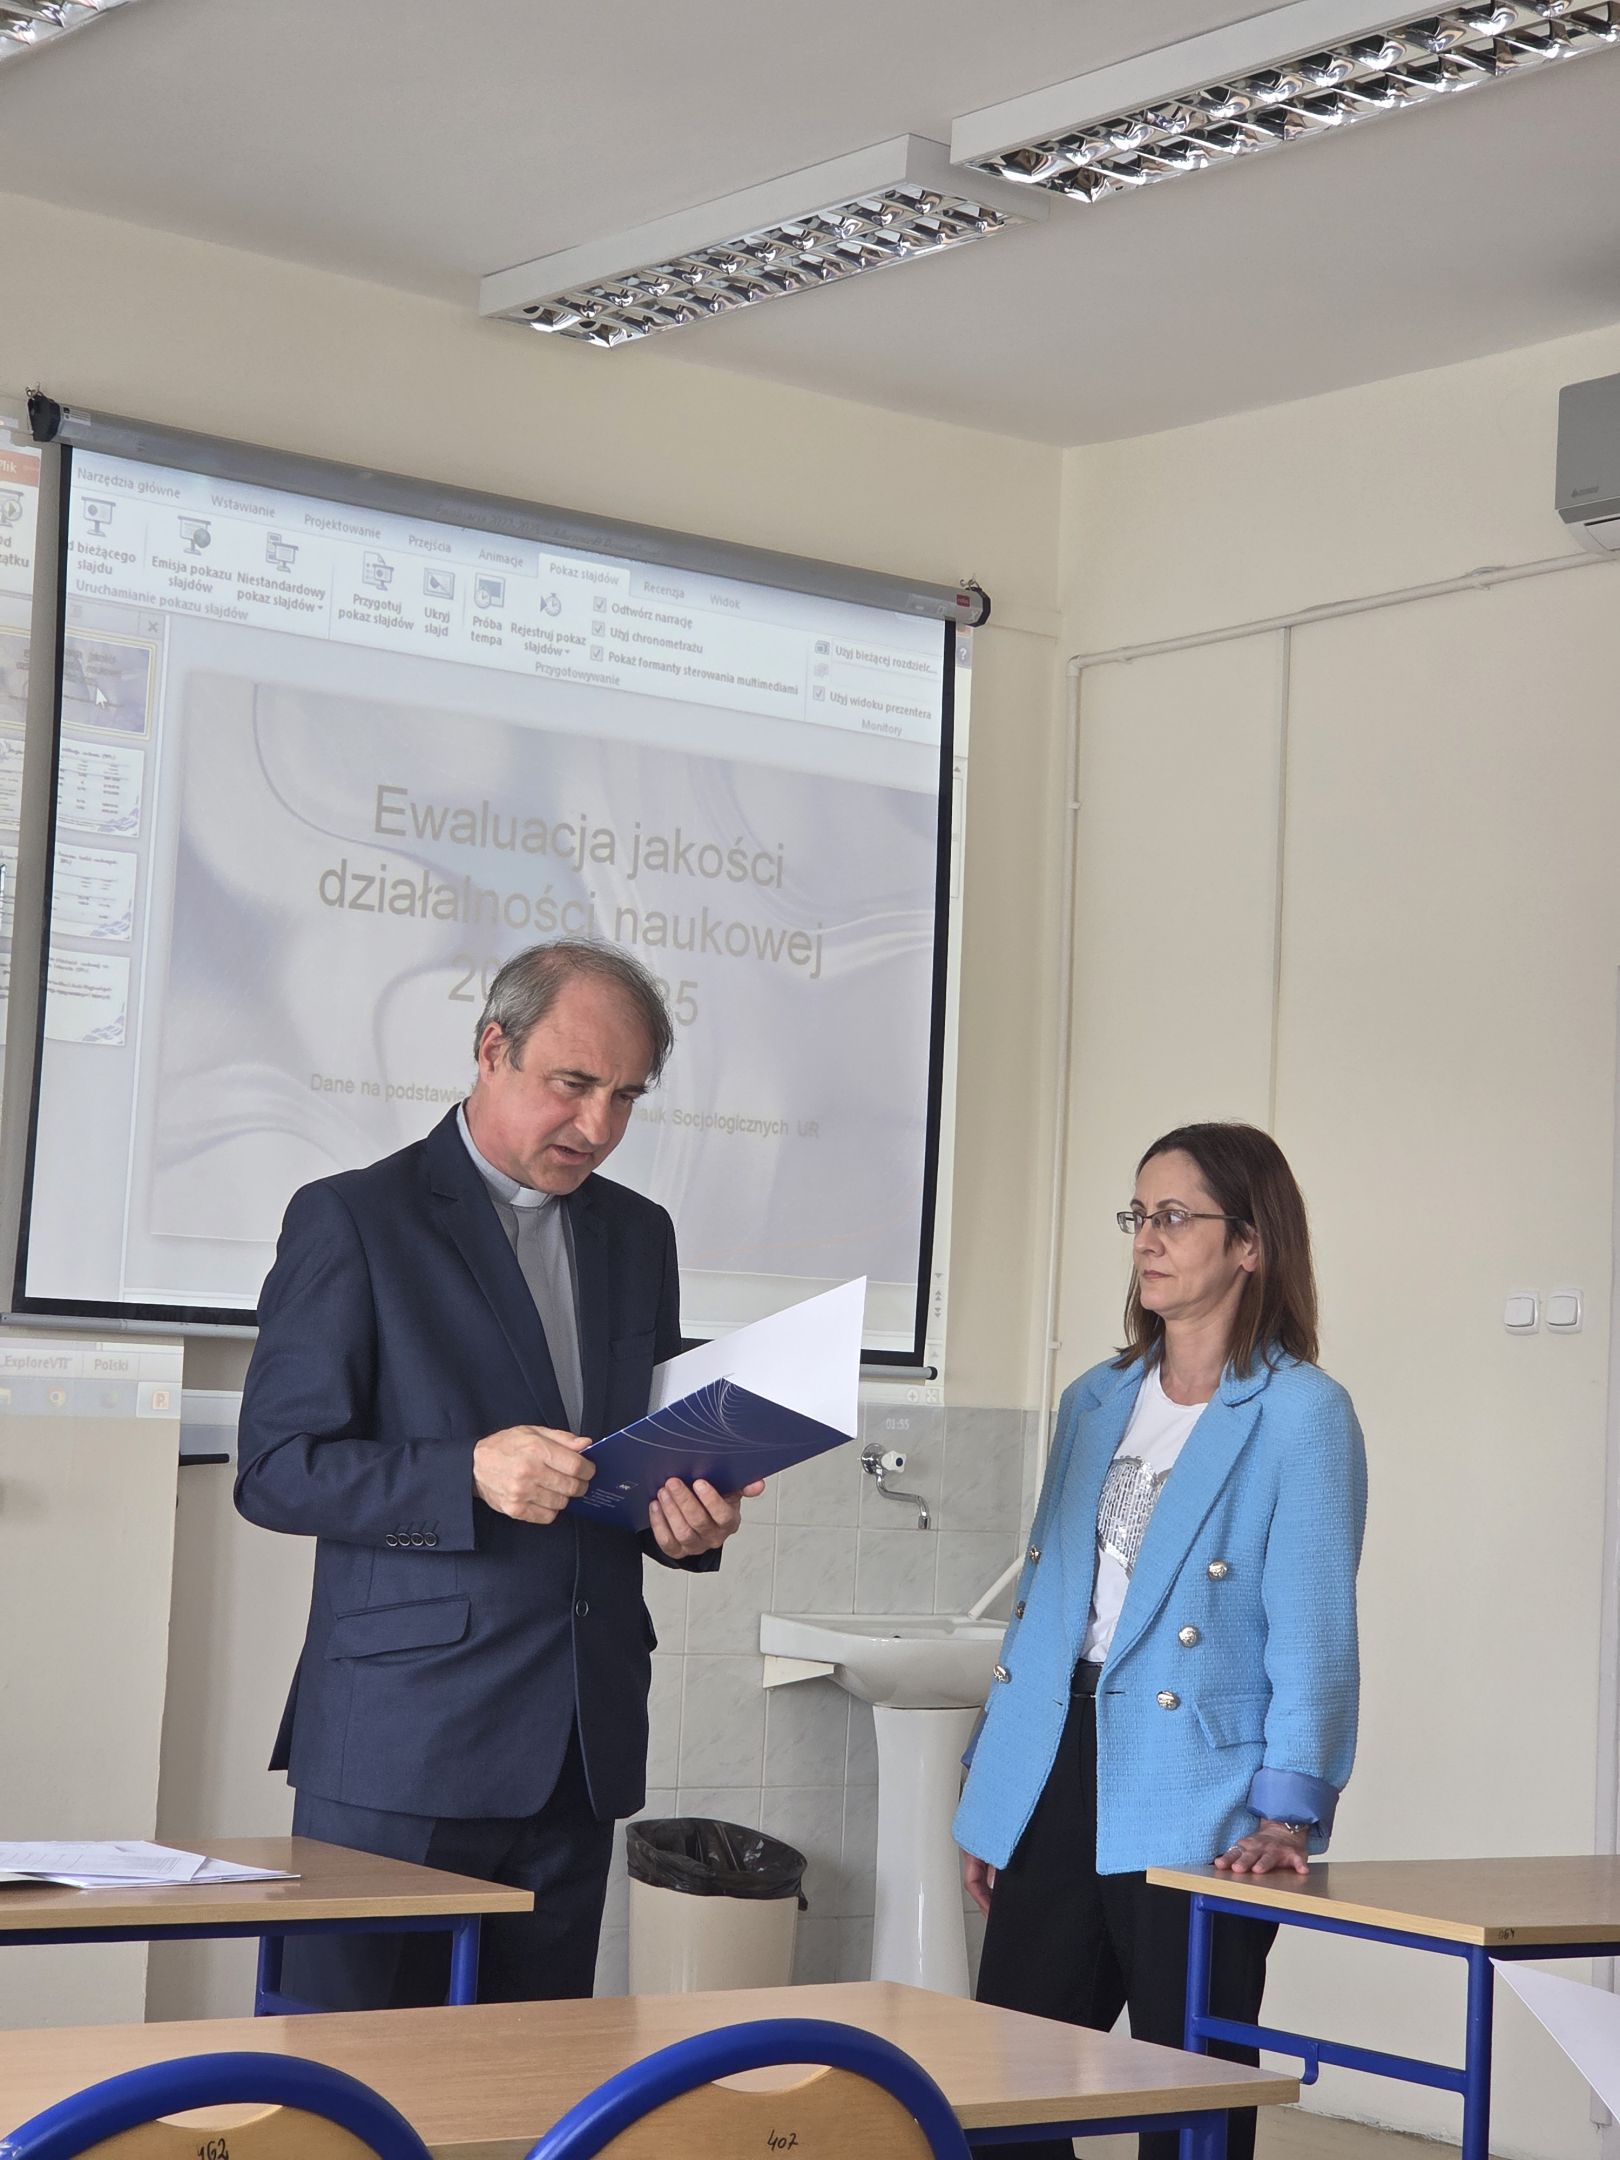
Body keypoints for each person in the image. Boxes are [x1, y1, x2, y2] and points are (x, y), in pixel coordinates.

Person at [236, 939, 758, 2009]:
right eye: (574, 1084)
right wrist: (467, 1473)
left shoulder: (639, 1235)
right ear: (492, 1050)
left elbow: (627, 1460)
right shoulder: (354, 1218)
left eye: (626, 1097)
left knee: (531, 2082)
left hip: (579, 1747)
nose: (598, 1127)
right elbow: (276, 1470)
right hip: (402, 1748)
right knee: (353, 2076)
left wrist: (682, 1522)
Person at [955, 1122, 1366, 2160]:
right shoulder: (1094, 1399)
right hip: (1058, 1764)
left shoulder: (1302, 1414)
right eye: (1139, 1215)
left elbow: (1313, 1631)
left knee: (1190, 2108)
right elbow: (1048, 1607)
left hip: (1198, 1790)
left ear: (1251, 1243)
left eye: (1176, 1216)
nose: (1148, 1237)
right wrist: (998, 1783)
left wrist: (1288, 1813)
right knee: (1002, 2091)